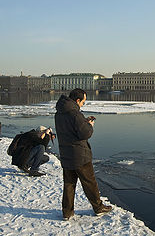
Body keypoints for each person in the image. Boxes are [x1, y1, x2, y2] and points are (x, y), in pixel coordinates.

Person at [55, 88, 112, 220]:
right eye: (83, 102)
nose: (82, 105)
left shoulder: (59, 113)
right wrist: (90, 125)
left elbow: (70, 129)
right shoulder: (75, 114)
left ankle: (67, 212)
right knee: (90, 183)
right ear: (77, 100)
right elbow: (85, 134)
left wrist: (83, 122)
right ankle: (98, 207)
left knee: (69, 184)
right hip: (80, 155)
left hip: (66, 153)